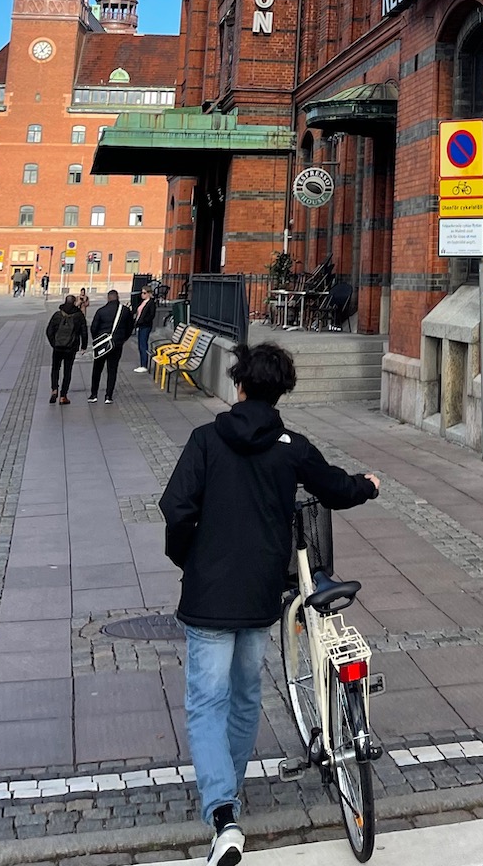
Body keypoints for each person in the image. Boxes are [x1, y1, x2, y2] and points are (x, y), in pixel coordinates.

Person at [159, 341, 379, 866]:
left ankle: (223, 816)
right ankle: (227, 799)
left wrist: (190, 560)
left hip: (209, 595)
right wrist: (368, 485)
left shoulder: (206, 440)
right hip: (260, 594)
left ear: (238, 385)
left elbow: (175, 509)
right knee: (243, 699)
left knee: (206, 704)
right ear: (282, 391)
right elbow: (336, 488)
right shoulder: (291, 447)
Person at [88, 289, 133, 404]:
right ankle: (108, 396)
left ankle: (94, 394)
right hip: (117, 344)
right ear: (118, 297)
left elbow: (93, 328)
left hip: (102, 344)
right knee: (112, 370)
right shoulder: (125, 311)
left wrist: (97, 340)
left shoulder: (101, 311)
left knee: (97, 369)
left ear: (108, 298)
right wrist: (122, 339)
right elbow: (130, 327)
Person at [45, 294, 88, 405]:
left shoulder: (57, 315)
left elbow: (49, 331)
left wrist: (54, 343)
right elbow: (84, 331)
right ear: (74, 303)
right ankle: (63, 396)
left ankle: (54, 389)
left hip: (58, 347)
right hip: (71, 347)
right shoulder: (79, 315)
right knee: (67, 371)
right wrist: (84, 346)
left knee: (55, 369)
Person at [131, 284, 157, 373]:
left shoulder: (151, 303)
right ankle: (142, 363)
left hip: (145, 326)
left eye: (144, 293)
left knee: (143, 345)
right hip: (140, 325)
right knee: (140, 344)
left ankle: (144, 365)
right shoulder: (142, 302)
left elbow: (151, 316)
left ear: (149, 294)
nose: (142, 295)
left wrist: (142, 321)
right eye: (142, 293)